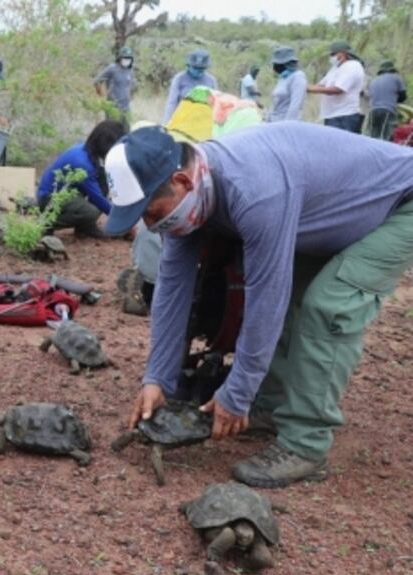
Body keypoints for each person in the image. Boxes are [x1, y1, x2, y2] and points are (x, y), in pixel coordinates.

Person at [102, 123, 413, 488]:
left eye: (152, 213)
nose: (151, 225)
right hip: (330, 213)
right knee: (294, 297)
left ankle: (306, 445)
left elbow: (266, 299)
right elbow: (173, 291)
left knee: (328, 307)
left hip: (399, 204)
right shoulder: (192, 197)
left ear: (182, 182)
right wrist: (157, 378)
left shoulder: (254, 192)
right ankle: (270, 405)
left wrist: (237, 392)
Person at [35, 120, 127, 237]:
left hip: (67, 192)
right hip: (50, 198)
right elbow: (98, 199)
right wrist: (123, 220)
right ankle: (46, 224)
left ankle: (85, 227)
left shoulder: (87, 151)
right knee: (90, 212)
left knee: (103, 176)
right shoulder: (82, 163)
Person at [308, 41, 366, 133]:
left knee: (346, 145)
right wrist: (304, 86)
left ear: (342, 54)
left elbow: (338, 89)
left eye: (333, 54)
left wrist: (309, 89)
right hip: (331, 115)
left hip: (345, 116)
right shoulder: (335, 68)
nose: (331, 57)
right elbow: (321, 85)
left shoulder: (352, 66)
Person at [162, 49, 218, 123]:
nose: (198, 71)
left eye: (201, 69)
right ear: (188, 66)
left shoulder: (211, 80)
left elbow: (216, 104)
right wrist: (166, 123)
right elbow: (171, 103)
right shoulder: (179, 79)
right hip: (182, 119)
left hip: (203, 121)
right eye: (195, 68)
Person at [366, 61, 407, 140]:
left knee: (371, 136)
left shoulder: (374, 81)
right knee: (386, 137)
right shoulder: (396, 78)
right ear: (392, 70)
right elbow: (403, 96)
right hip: (388, 110)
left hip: (373, 111)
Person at [95, 47, 136, 123]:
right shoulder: (112, 68)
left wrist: (130, 96)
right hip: (113, 107)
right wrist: (102, 96)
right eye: (125, 58)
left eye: (129, 58)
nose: (127, 60)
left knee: (126, 131)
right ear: (120, 58)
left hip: (126, 108)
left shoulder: (130, 70)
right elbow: (97, 81)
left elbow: (131, 85)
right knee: (113, 131)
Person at [267, 46, 307, 123]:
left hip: (286, 122)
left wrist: (286, 126)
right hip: (275, 122)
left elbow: (295, 105)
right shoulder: (283, 78)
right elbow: (275, 103)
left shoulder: (298, 77)